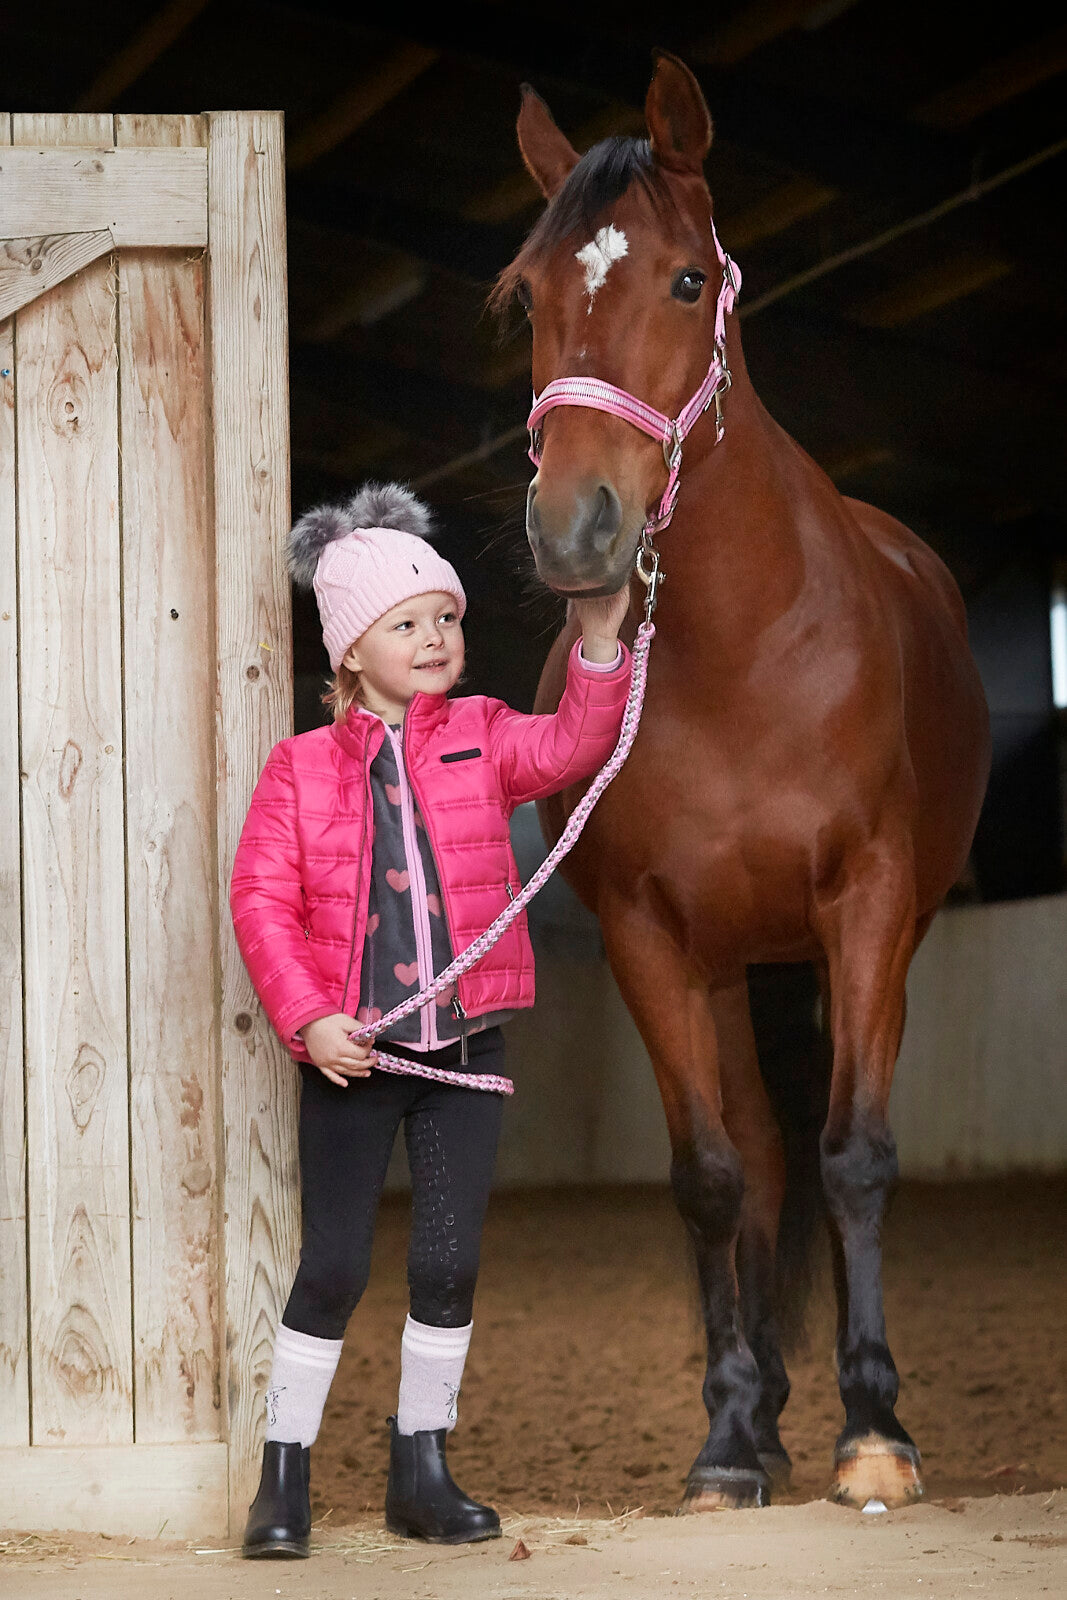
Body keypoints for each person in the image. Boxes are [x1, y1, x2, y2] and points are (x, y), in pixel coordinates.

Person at [230, 482, 632, 1558]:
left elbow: (569, 748)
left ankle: (422, 1465)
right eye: (406, 623)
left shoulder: (486, 736)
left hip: (462, 1049)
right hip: (352, 1059)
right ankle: (283, 1478)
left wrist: (598, 645)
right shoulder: (299, 770)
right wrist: (308, 1019)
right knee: (333, 1268)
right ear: (350, 650)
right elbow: (260, 901)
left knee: (448, 1267)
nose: (436, 637)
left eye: (445, 618)